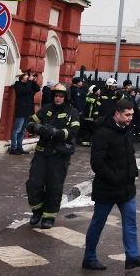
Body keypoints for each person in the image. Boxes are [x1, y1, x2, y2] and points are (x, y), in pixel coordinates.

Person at [82, 98, 140, 271]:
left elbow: (128, 154)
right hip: (107, 188)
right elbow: (97, 163)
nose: (130, 118)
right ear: (117, 114)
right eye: (127, 115)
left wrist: (133, 171)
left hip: (126, 188)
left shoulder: (126, 130)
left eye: (132, 115)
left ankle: (132, 257)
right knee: (98, 223)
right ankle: (89, 258)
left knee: (130, 222)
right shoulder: (102, 133)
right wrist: (114, 178)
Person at [25, 83, 79, 229]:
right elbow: (30, 122)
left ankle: (49, 217)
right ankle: (37, 211)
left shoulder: (71, 112)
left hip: (59, 156)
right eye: (56, 96)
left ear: (66, 97)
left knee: (54, 187)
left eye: (61, 96)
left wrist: (56, 132)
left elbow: (73, 131)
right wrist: (37, 127)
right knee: (34, 183)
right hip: (42, 153)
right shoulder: (47, 109)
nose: (58, 98)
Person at [10, 72, 41, 155]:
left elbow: (37, 89)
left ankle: (19, 147)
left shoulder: (29, 85)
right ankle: (13, 147)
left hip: (28, 111)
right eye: (26, 78)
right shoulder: (18, 85)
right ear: (22, 79)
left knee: (23, 130)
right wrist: (30, 82)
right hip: (21, 110)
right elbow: (26, 90)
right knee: (17, 130)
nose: (28, 79)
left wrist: (33, 81)